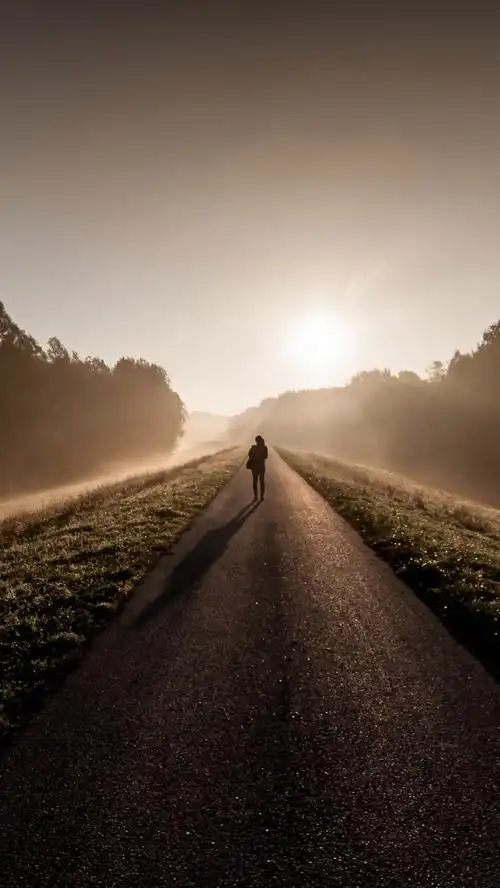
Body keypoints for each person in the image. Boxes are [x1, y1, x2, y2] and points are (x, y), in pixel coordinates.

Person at [247, 435, 268, 501]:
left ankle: (255, 496)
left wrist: (254, 455)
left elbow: (249, 454)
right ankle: (261, 497)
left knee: (255, 482)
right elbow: (266, 456)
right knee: (261, 482)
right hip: (261, 466)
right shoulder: (265, 448)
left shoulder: (253, 448)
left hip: (255, 466)